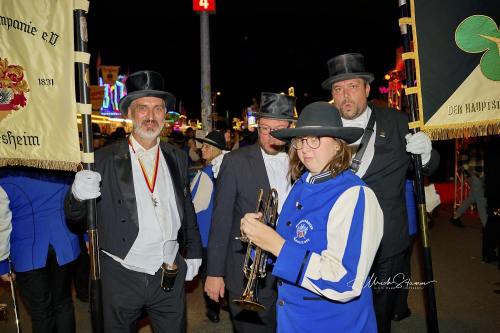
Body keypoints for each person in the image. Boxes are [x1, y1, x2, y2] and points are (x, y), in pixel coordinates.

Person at [64, 70, 203, 333]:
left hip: (170, 270)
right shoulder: (102, 159)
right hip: (122, 272)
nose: (151, 116)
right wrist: (77, 195)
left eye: (158, 109)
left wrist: (194, 250)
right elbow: (74, 218)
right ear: (129, 113)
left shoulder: (177, 157)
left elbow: (186, 206)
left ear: (165, 115)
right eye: (142, 108)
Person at [240, 102, 384, 332]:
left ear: (338, 145)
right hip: (292, 318)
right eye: (300, 140)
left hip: (332, 323)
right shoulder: (301, 184)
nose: (305, 148)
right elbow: (291, 244)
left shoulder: (355, 194)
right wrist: (259, 237)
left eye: (315, 139)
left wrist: (276, 245)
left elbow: (345, 281)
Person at [321, 53, 440, 333]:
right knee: (340, 308)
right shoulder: (325, 127)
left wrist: (425, 154)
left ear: (367, 89)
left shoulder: (396, 122)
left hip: (387, 241)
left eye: (352, 86)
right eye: (338, 89)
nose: (345, 96)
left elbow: (430, 167)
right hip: (337, 241)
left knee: (380, 311)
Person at [205, 92, 296, 332]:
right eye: (264, 128)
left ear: (290, 127)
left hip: (292, 269)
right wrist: (214, 273)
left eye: (278, 128)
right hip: (247, 272)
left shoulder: (304, 159)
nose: (270, 135)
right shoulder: (235, 161)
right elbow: (221, 219)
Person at [0, 167, 81, 333]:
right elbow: (77, 204)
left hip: (28, 251)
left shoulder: (6, 174)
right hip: (65, 244)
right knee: (63, 303)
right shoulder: (60, 165)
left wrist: (1, 262)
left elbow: (2, 224)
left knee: (41, 313)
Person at [190, 130, 228, 323]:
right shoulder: (229, 168)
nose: (202, 149)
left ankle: (212, 310)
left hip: (205, 233)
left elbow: (196, 205)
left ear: (215, 150)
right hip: (224, 232)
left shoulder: (206, 174)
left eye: (206, 146)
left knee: (209, 272)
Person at [450, 138, 487, 228]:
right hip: (475, 176)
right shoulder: (466, 145)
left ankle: (455, 217)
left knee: (472, 198)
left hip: (481, 175)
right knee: (481, 200)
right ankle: (487, 226)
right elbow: (462, 164)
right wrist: (471, 175)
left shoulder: (480, 144)